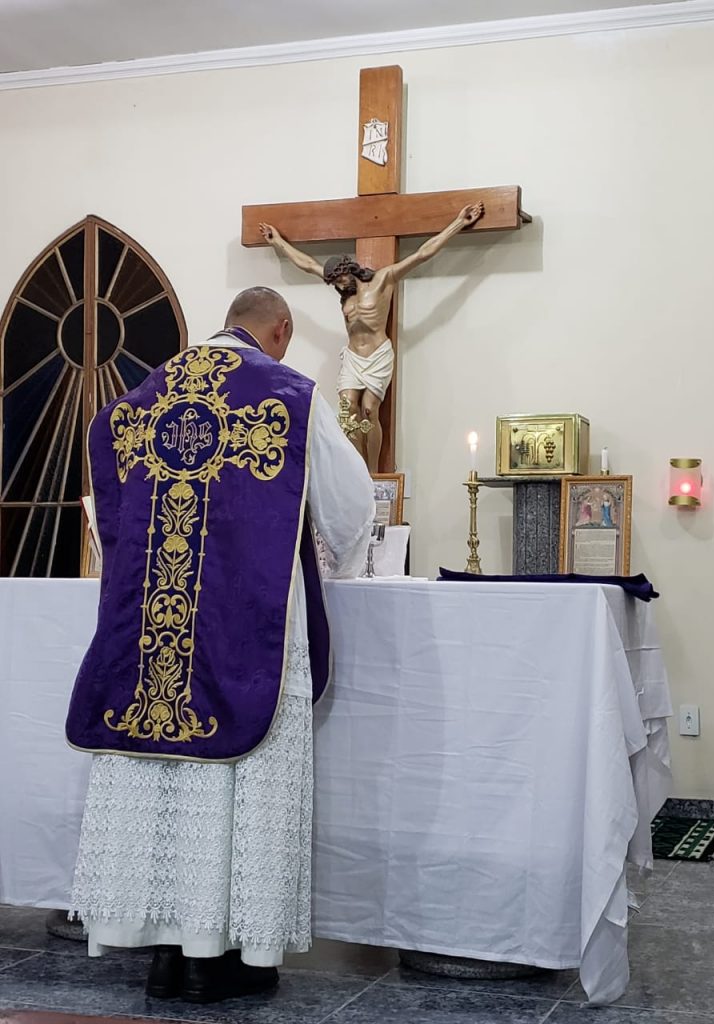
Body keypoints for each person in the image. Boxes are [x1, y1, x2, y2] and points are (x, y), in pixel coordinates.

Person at [66, 287, 375, 1004]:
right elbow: (349, 504)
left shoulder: (135, 404)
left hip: (150, 634)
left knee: (161, 789)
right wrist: (346, 567)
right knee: (240, 786)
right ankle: (225, 960)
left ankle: (164, 956)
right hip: (246, 628)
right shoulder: (288, 395)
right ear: (280, 330)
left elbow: (112, 522)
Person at [259, 201, 484, 471]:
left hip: (377, 354)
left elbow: (423, 254)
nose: (339, 286)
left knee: (368, 410)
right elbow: (307, 264)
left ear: (348, 269)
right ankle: (357, 469)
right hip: (353, 356)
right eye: (334, 283)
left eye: (340, 280)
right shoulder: (344, 290)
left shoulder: (383, 280)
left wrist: (458, 223)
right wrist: (278, 242)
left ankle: (374, 472)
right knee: (347, 411)